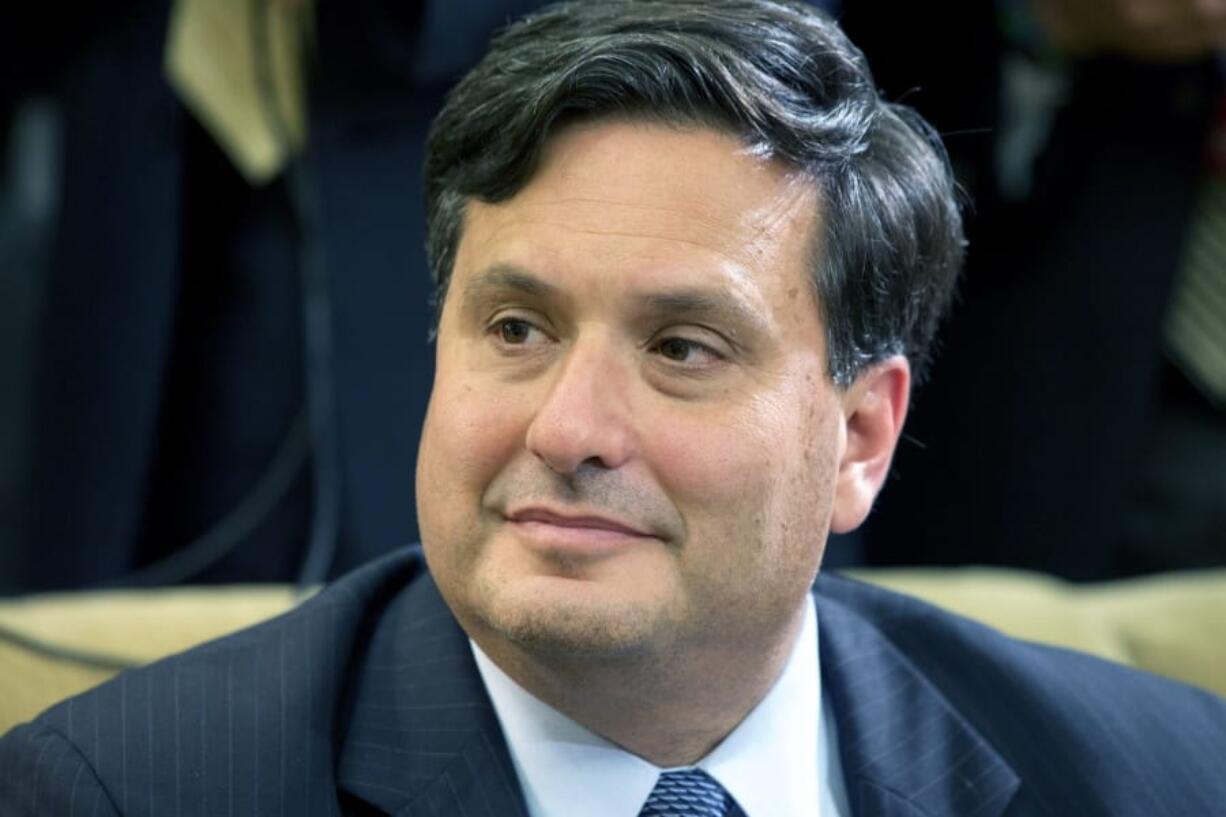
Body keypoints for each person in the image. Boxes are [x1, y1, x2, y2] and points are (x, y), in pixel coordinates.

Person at [2, 1, 1225, 815]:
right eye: (516, 329)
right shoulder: (122, 790)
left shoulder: (1158, 776)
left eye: (682, 348)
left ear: (859, 438)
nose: (565, 428)